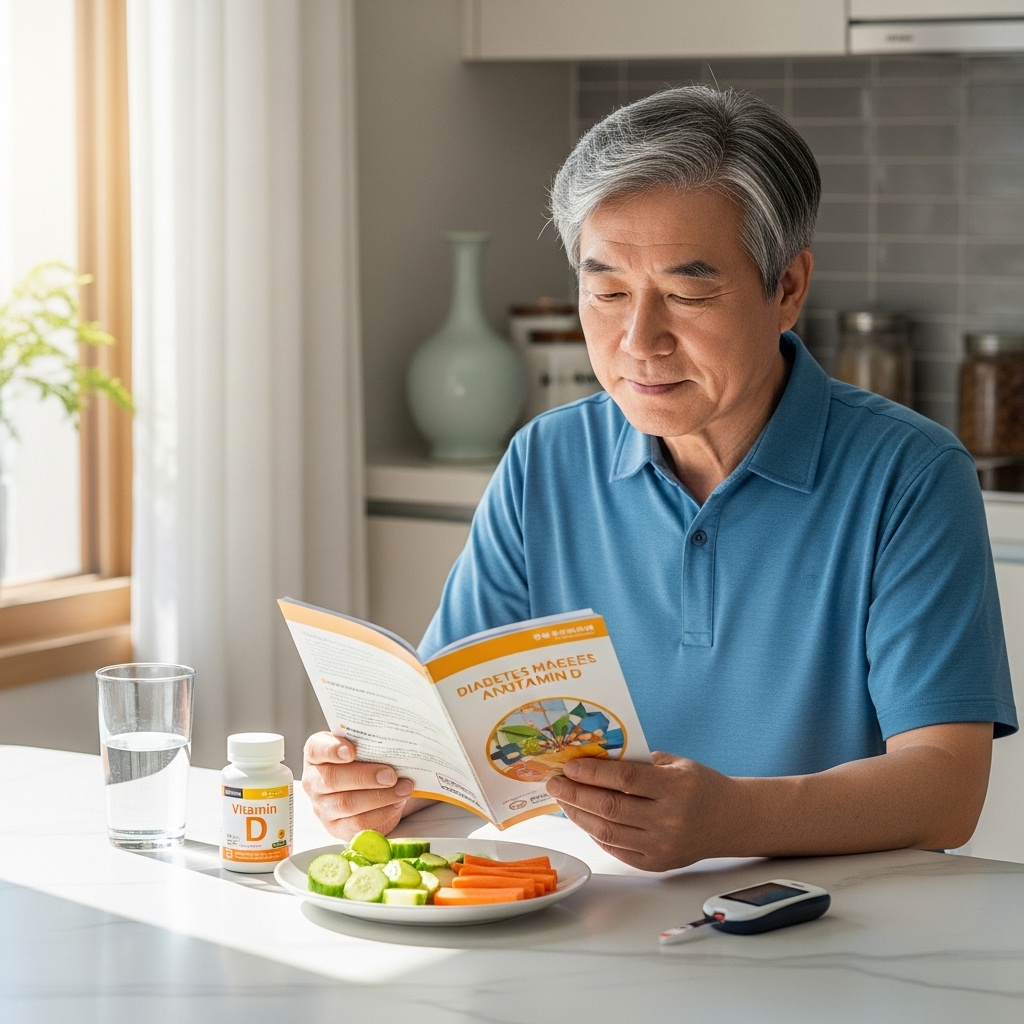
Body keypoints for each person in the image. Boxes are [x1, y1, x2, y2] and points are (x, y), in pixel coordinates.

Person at [303, 87, 1017, 871]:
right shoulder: (544, 461)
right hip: (591, 919)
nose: (639, 341)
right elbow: (459, 744)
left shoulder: (910, 474)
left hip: (826, 934)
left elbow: (947, 790)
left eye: (685, 293)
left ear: (788, 287)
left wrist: (735, 820)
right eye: (607, 292)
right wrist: (386, 783)